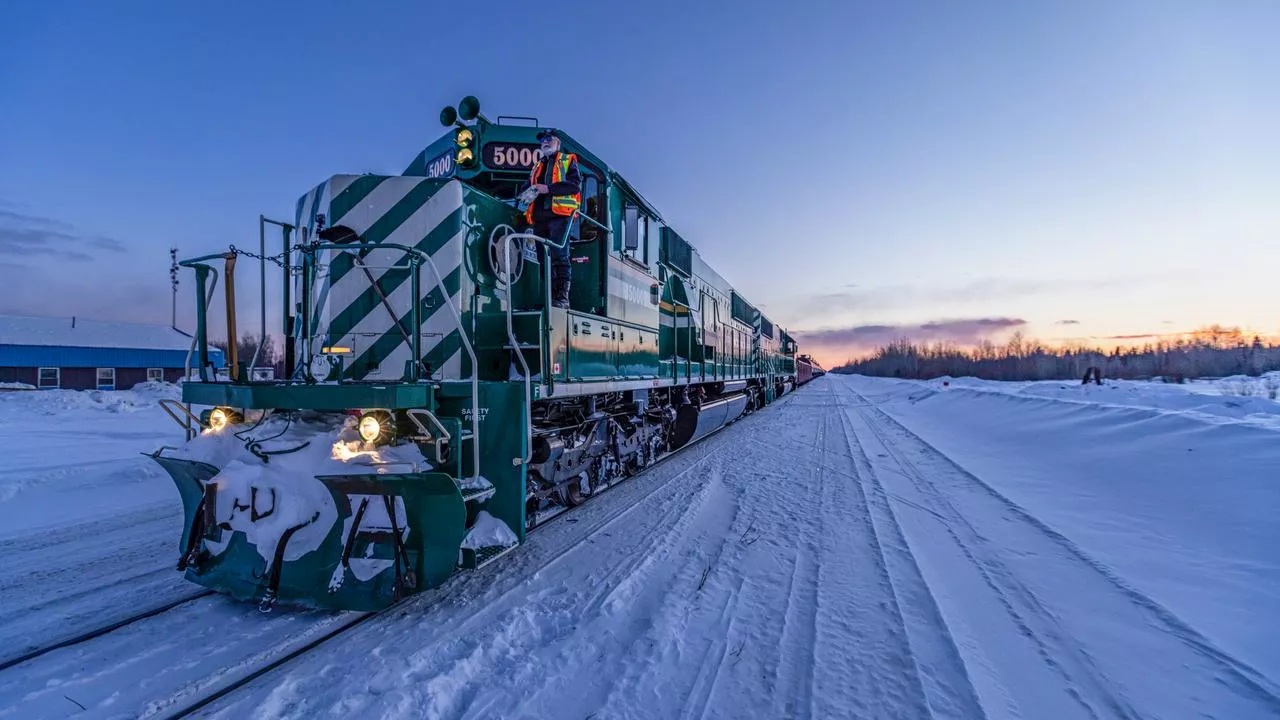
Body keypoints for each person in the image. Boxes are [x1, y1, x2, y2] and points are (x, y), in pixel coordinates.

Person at [521, 129, 581, 308]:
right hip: (540, 220)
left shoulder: (568, 161)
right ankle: (548, 298)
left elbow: (574, 186)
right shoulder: (537, 166)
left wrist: (548, 189)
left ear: (558, 143)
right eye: (542, 141)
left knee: (559, 256)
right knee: (542, 259)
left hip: (560, 217)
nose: (544, 143)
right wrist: (524, 194)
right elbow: (527, 185)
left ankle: (562, 298)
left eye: (548, 139)